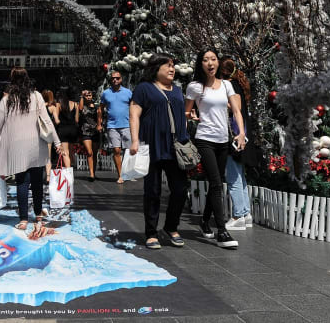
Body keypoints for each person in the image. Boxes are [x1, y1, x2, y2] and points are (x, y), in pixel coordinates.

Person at [0, 67, 62, 233]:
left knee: (22, 182)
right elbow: (47, 122)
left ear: (12, 81)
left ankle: (23, 219)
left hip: (16, 146)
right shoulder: (36, 97)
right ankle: (38, 216)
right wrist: (57, 142)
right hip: (37, 145)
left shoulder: (7, 100)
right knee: (37, 182)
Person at [184, 48, 246, 249]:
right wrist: (190, 117)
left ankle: (204, 221)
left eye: (213, 59)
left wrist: (241, 133)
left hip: (223, 140)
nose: (210, 63)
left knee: (216, 184)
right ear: (200, 64)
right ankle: (222, 231)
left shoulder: (226, 85)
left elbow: (236, 110)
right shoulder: (195, 87)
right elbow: (185, 112)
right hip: (204, 139)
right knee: (217, 184)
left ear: (218, 63)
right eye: (205, 60)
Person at [129, 53, 189, 250]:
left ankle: (171, 227)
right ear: (156, 68)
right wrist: (135, 140)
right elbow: (134, 114)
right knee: (152, 191)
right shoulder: (144, 89)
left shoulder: (178, 90)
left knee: (180, 190)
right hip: (152, 145)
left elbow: (180, 115)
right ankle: (151, 233)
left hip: (175, 147)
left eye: (173, 65)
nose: (172, 69)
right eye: (168, 65)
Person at [219, 57, 256, 230]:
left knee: (233, 177)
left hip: (233, 135)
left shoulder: (229, 85)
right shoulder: (239, 84)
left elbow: (236, 107)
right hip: (242, 134)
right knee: (240, 176)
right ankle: (246, 213)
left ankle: (238, 215)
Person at [101, 71, 133, 184]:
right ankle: (120, 175)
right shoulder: (105, 93)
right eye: (113, 78)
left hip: (126, 125)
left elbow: (134, 107)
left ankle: (127, 172)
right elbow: (100, 108)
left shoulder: (128, 92)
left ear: (121, 79)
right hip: (112, 126)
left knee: (128, 151)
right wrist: (99, 123)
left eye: (117, 78)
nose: (115, 80)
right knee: (116, 150)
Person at [78, 89, 102, 181]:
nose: (88, 97)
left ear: (92, 96)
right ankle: (91, 174)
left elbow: (100, 117)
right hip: (85, 131)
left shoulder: (97, 107)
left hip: (95, 131)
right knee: (89, 152)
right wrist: (81, 96)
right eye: (86, 95)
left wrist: (100, 125)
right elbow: (80, 110)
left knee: (94, 153)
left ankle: (94, 173)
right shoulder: (82, 106)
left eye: (89, 95)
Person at [51, 86, 77, 169]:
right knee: (71, 152)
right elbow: (76, 120)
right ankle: (70, 165)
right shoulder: (75, 104)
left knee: (65, 152)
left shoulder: (59, 105)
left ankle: (68, 172)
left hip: (63, 129)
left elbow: (57, 119)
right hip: (73, 130)